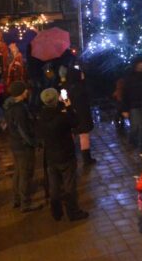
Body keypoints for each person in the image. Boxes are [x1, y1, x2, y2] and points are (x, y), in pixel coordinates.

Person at [36, 88, 89, 221]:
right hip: (66, 154)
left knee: (54, 185)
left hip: (51, 156)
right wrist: (69, 106)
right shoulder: (62, 117)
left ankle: (56, 211)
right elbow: (76, 122)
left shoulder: (41, 116)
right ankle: (73, 212)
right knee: (69, 184)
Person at [3, 81, 42, 213]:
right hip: (23, 146)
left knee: (18, 172)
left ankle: (17, 199)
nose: (27, 92)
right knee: (26, 173)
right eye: (25, 90)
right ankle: (26, 203)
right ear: (20, 92)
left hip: (15, 144)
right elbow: (23, 130)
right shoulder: (19, 109)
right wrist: (33, 142)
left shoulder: (10, 106)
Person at [66, 66, 97, 166]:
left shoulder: (67, 87)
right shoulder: (81, 87)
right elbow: (89, 96)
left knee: (72, 136)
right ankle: (86, 159)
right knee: (84, 136)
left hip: (71, 114)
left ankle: (71, 158)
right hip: (82, 115)